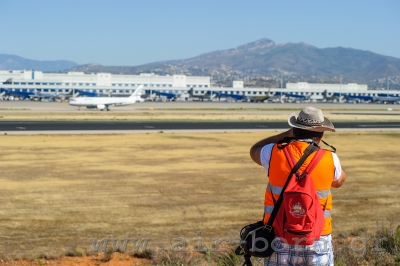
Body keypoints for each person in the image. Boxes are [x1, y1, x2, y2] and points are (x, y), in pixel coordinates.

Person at [250, 106, 347, 266]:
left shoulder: (273, 152)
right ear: (321, 135)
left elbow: (254, 150)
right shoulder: (330, 158)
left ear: (294, 130)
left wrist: (285, 135)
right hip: (317, 237)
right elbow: (339, 181)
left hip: (278, 235)